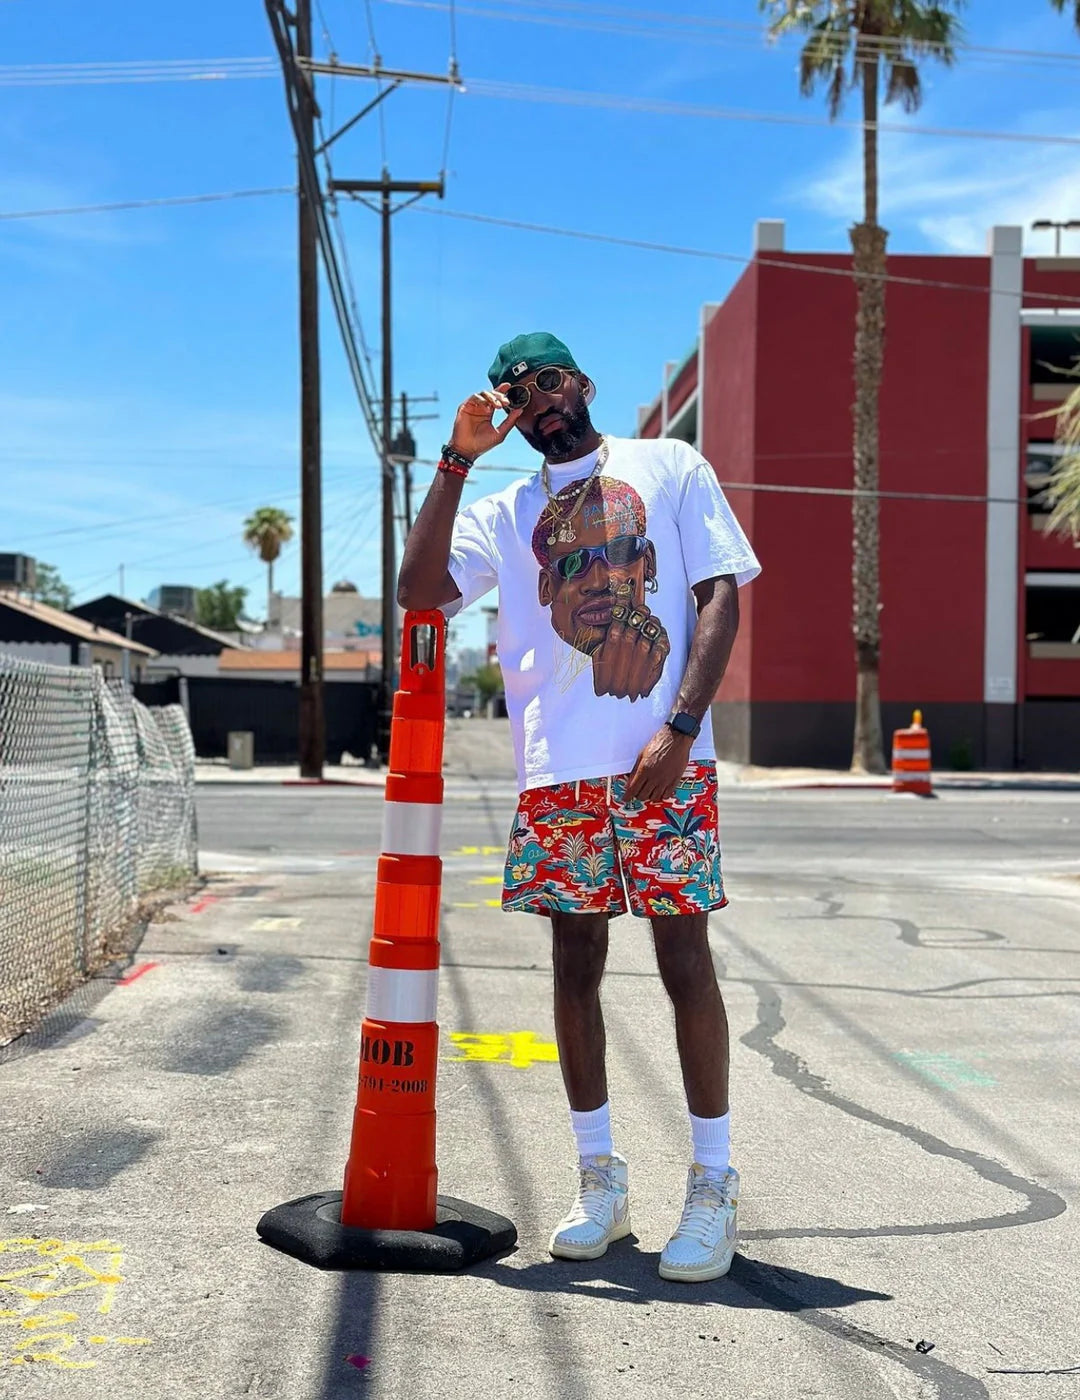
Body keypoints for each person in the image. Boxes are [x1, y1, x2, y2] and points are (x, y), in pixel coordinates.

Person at [398, 332, 760, 1282]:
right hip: (558, 772)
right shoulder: (502, 508)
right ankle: (599, 1176)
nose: (538, 402)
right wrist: (454, 460)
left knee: (686, 959)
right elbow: (417, 590)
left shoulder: (668, 465)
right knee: (574, 967)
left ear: (584, 382)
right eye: (517, 395)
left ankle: (713, 1185)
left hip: (666, 760)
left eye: (548, 382)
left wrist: (679, 729)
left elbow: (718, 598)